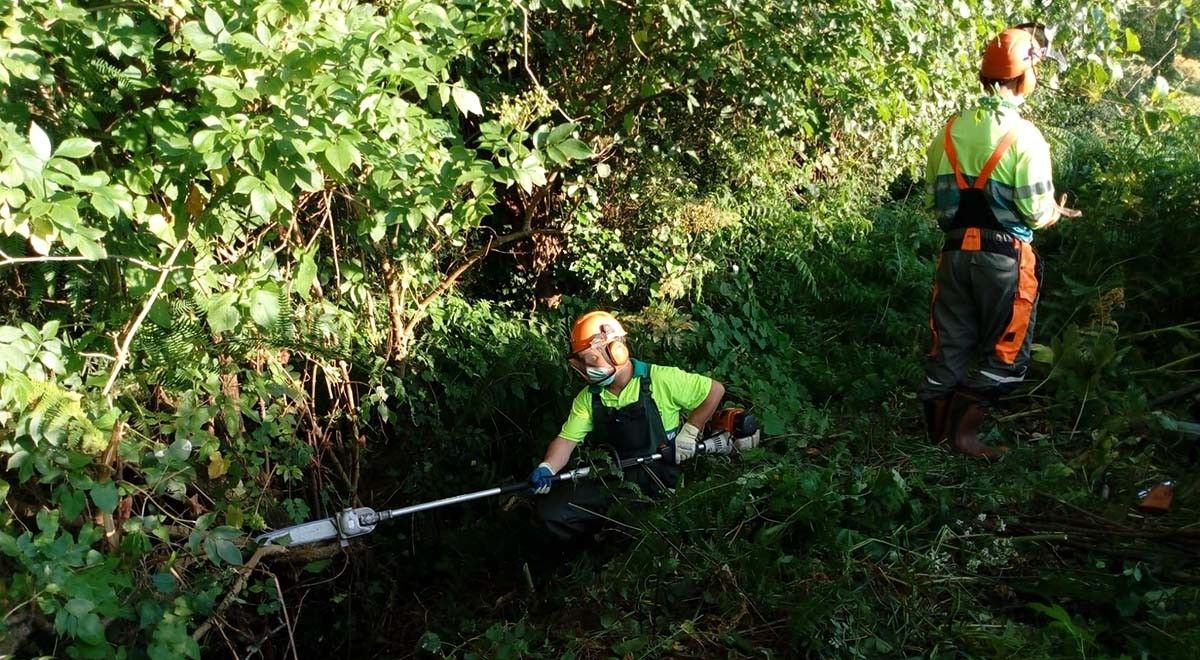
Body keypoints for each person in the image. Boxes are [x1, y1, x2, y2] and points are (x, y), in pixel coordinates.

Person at [919, 26, 1081, 458]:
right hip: (1005, 258)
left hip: (953, 255)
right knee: (1007, 351)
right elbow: (1035, 211)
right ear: (1025, 77)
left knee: (948, 343)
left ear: (985, 75)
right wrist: (1052, 213)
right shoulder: (1026, 137)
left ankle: (932, 438)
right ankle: (965, 437)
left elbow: (939, 205)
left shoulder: (948, 130)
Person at [529, 310, 725, 540]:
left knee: (641, 532)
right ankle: (586, 556)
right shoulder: (589, 398)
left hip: (658, 481)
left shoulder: (661, 379)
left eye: (591, 358)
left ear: (616, 350)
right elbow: (566, 440)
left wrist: (690, 431)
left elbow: (714, 390)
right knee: (553, 513)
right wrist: (548, 467)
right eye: (582, 361)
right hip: (613, 478)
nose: (587, 366)